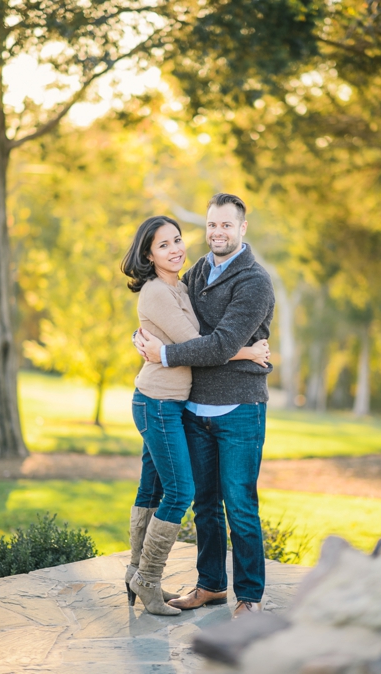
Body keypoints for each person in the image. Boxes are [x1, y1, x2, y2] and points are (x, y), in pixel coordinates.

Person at [120, 215, 269, 616]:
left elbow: (201, 343)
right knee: (184, 493)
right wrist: (250, 351)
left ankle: (139, 573)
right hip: (160, 402)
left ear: (243, 227)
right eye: (163, 245)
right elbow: (199, 344)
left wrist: (157, 347)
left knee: (155, 490)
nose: (175, 249)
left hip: (179, 403)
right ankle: (148, 581)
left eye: (177, 240)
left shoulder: (190, 282)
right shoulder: (160, 290)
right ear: (148, 255)